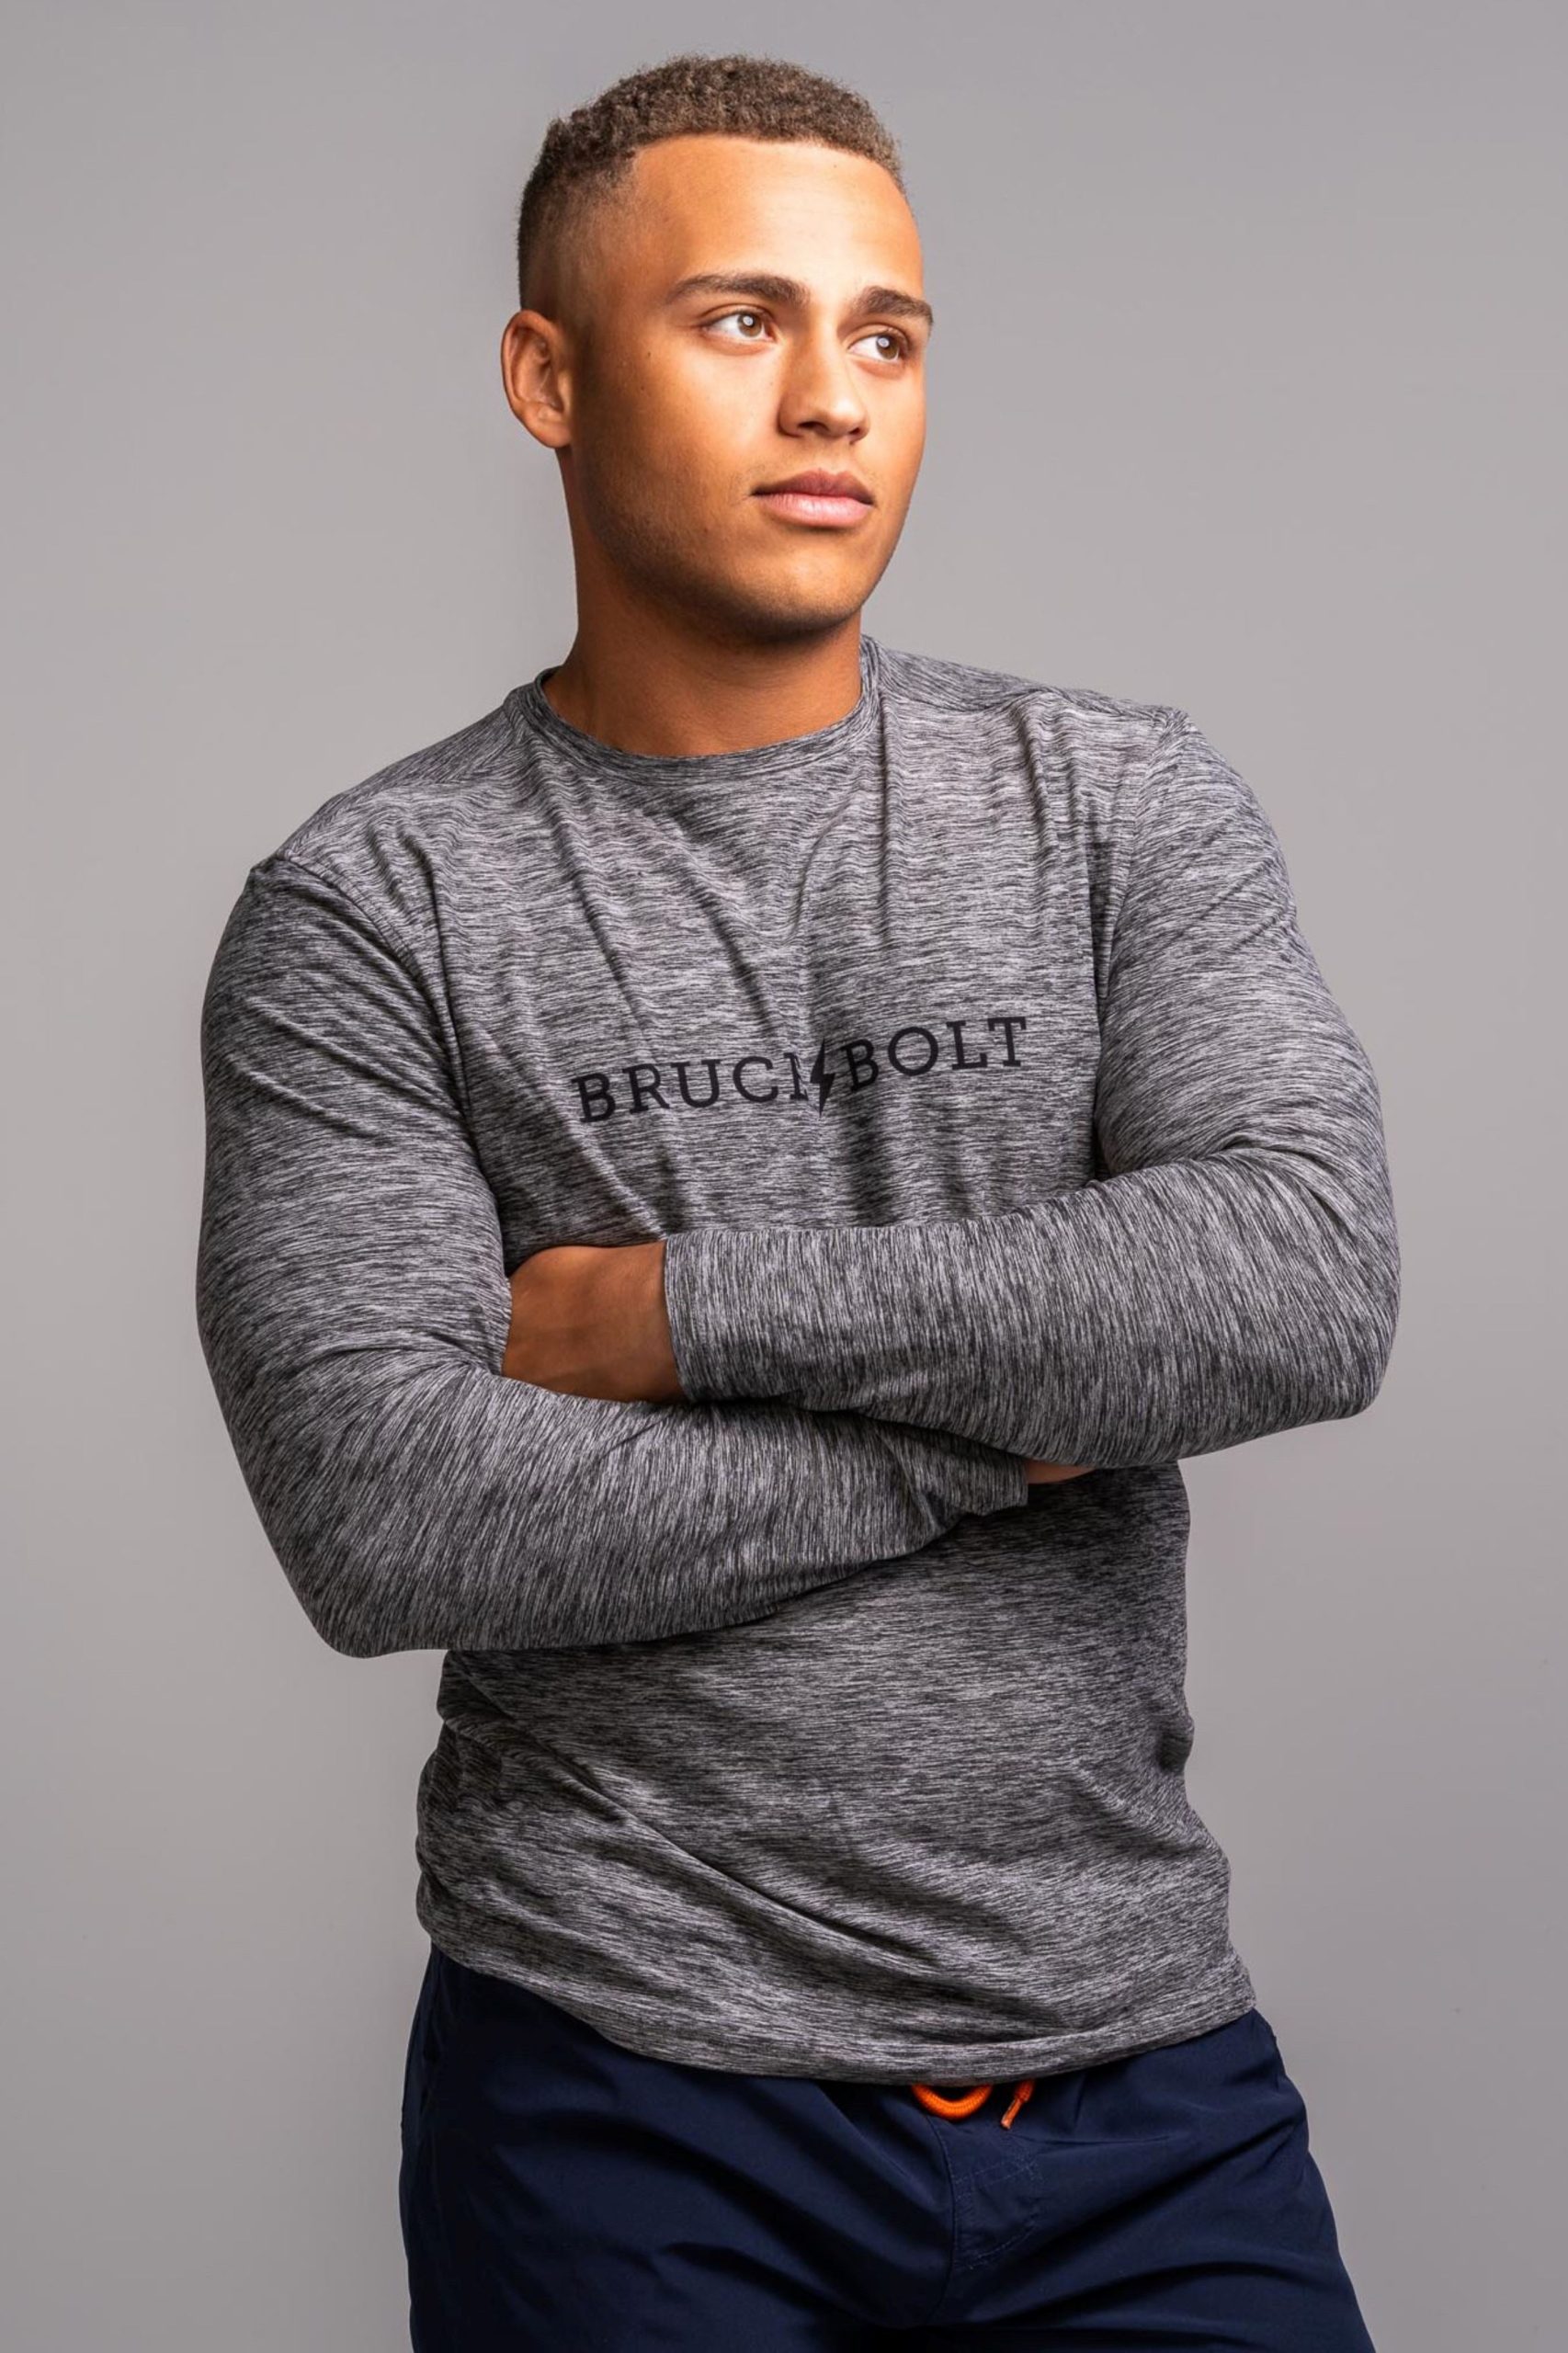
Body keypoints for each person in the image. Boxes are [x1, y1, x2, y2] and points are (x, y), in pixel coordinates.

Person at [195, 48, 1399, 2353]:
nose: (831, 395)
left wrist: (674, 1312)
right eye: (739, 319)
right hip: (619, 2086)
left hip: (1137, 2075)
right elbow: (382, 1505)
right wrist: (997, 1436)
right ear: (549, 376)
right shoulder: (372, 906)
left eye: (886, 333)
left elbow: (1301, 1276)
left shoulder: (1116, 805)